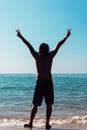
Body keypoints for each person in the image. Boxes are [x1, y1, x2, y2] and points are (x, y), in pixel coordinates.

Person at [16, 28, 71, 129]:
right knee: (48, 105)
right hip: (48, 83)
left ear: (40, 49)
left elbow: (29, 45)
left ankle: (31, 123)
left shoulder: (37, 56)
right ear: (48, 49)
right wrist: (66, 36)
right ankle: (46, 124)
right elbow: (59, 44)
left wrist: (21, 37)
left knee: (35, 105)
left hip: (40, 83)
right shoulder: (50, 56)